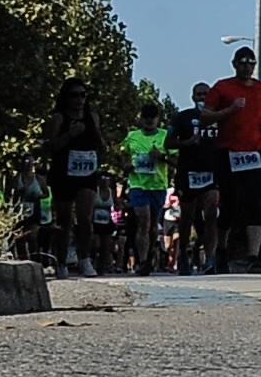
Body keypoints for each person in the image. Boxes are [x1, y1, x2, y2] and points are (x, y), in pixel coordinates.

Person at [200, 46, 261, 273]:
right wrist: (229, 111)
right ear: (234, 64)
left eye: (250, 63)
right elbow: (204, 116)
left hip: (255, 151)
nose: (246, 66)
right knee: (230, 204)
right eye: (242, 62)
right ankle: (221, 250)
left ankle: (254, 255)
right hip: (228, 151)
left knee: (255, 203)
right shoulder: (223, 87)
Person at [44, 77, 104, 278]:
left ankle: (85, 259)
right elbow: (51, 146)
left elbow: (100, 141)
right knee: (65, 219)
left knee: (85, 217)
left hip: (87, 171)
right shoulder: (59, 118)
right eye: (74, 95)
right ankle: (61, 261)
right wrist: (70, 134)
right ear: (66, 97)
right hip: (64, 172)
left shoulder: (92, 116)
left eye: (83, 95)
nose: (79, 100)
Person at [166, 82, 221, 275]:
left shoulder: (218, 118)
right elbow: (168, 142)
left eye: (206, 94)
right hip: (188, 172)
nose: (202, 97)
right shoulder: (183, 117)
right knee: (187, 217)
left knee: (211, 212)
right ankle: (182, 257)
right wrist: (187, 142)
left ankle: (210, 258)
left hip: (211, 172)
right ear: (192, 97)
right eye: (199, 94)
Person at [122, 103, 172, 276]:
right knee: (143, 220)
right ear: (141, 118)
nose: (149, 120)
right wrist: (126, 166)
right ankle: (142, 261)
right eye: (146, 117)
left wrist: (161, 156)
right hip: (138, 184)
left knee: (152, 226)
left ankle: (151, 254)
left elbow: (177, 159)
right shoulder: (132, 136)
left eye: (153, 117)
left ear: (158, 118)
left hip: (158, 185)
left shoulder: (166, 136)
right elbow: (124, 156)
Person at [12, 157, 47, 260]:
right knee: (20, 237)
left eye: (31, 165)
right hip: (20, 210)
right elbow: (10, 194)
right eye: (27, 165)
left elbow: (46, 193)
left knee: (32, 236)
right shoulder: (17, 178)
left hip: (34, 209)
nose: (29, 167)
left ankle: (35, 259)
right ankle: (22, 259)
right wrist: (18, 195)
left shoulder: (39, 179)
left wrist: (38, 196)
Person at [91, 172, 116, 275]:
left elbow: (113, 206)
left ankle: (102, 267)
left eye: (107, 180)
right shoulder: (95, 191)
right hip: (95, 221)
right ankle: (93, 263)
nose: (105, 182)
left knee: (106, 247)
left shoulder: (112, 192)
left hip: (107, 221)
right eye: (103, 179)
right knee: (96, 245)